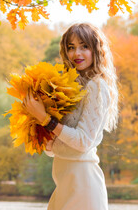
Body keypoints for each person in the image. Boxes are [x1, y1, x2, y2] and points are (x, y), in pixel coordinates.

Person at [23, 23, 119, 210]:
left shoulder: (96, 86)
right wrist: (42, 132)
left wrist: (46, 120)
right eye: (71, 47)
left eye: (84, 46)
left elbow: (83, 142)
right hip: (63, 183)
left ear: (96, 50)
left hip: (83, 185)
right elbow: (55, 149)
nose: (77, 53)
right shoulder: (71, 88)